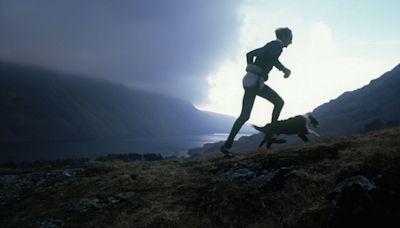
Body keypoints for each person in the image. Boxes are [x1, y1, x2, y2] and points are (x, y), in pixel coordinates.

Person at [221, 27, 293, 157]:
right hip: (255, 82)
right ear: (284, 36)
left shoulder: (269, 45)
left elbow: (249, 54)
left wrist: (251, 67)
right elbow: (272, 57)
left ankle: (227, 146)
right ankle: (271, 135)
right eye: (290, 38)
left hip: (249, 80)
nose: (291, 41)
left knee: (244, 115)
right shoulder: (277, 45)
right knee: (279, 102)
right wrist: (284, 69)